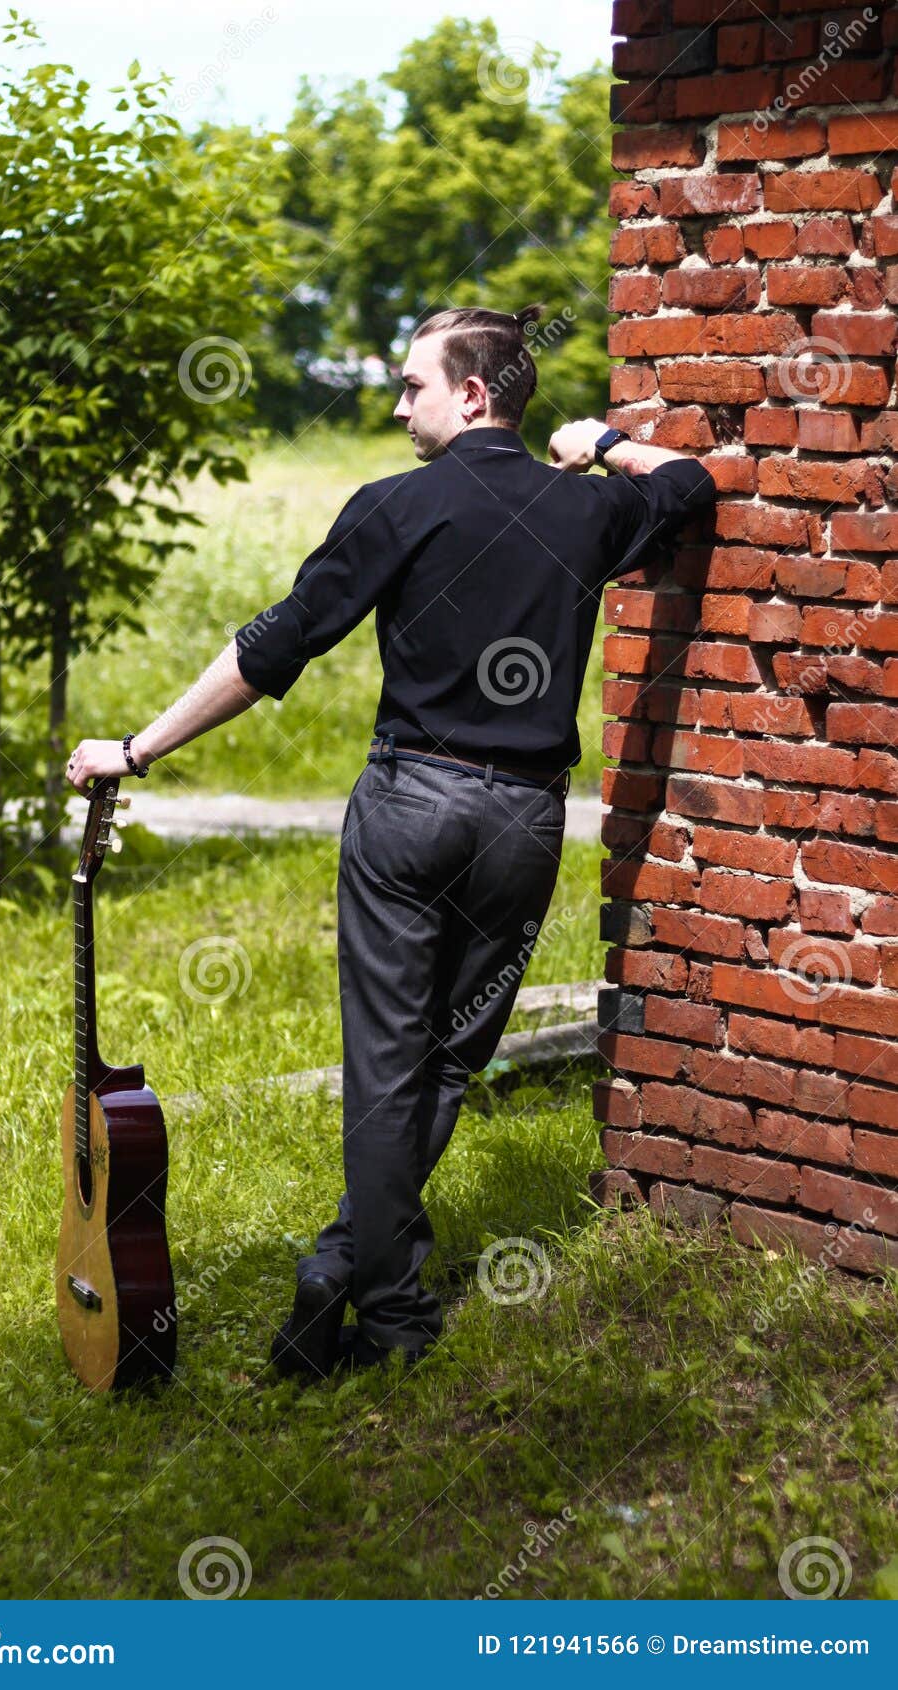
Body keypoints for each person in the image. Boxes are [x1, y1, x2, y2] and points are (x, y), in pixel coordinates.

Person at [65, 303, 717, 1380]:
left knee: (385, 1069)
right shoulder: (580, 511)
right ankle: (343, 1266)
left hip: (410, 809)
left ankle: (388, 1307)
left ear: (472, 394)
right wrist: (598, 444)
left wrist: (137, 749)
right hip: (522, 819)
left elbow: (272, 647)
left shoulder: (396, 507)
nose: (396, 401)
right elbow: (689, 485)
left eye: (413, 384)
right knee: (448, 1061)